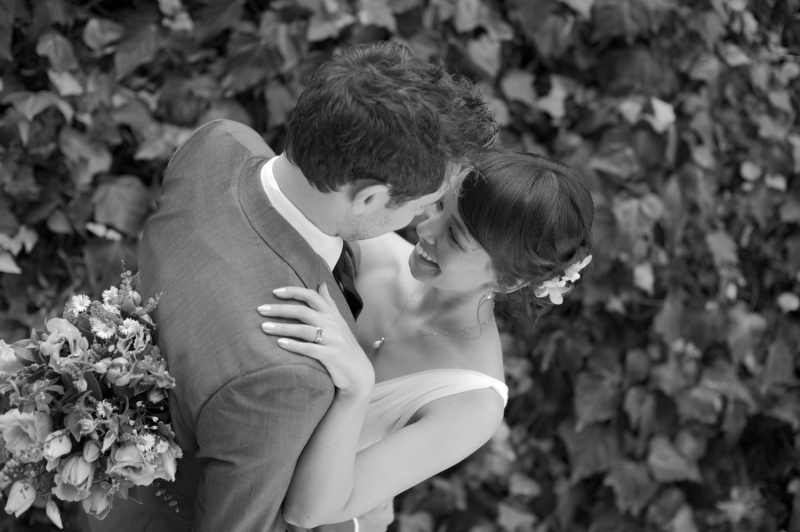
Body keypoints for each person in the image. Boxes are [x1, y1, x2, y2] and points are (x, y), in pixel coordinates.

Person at [87, 42, 495, 532]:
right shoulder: (285, 373)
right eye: (421, 204)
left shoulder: (217, 143)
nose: (422, 219)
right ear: (369, 196)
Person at [257, 148, 595, 531]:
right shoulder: (367, 248)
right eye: (438, 206)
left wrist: (357, 389)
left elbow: (308, 512)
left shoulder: (472, 401)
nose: (424, 228)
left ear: (507, 280)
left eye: (453, 235)